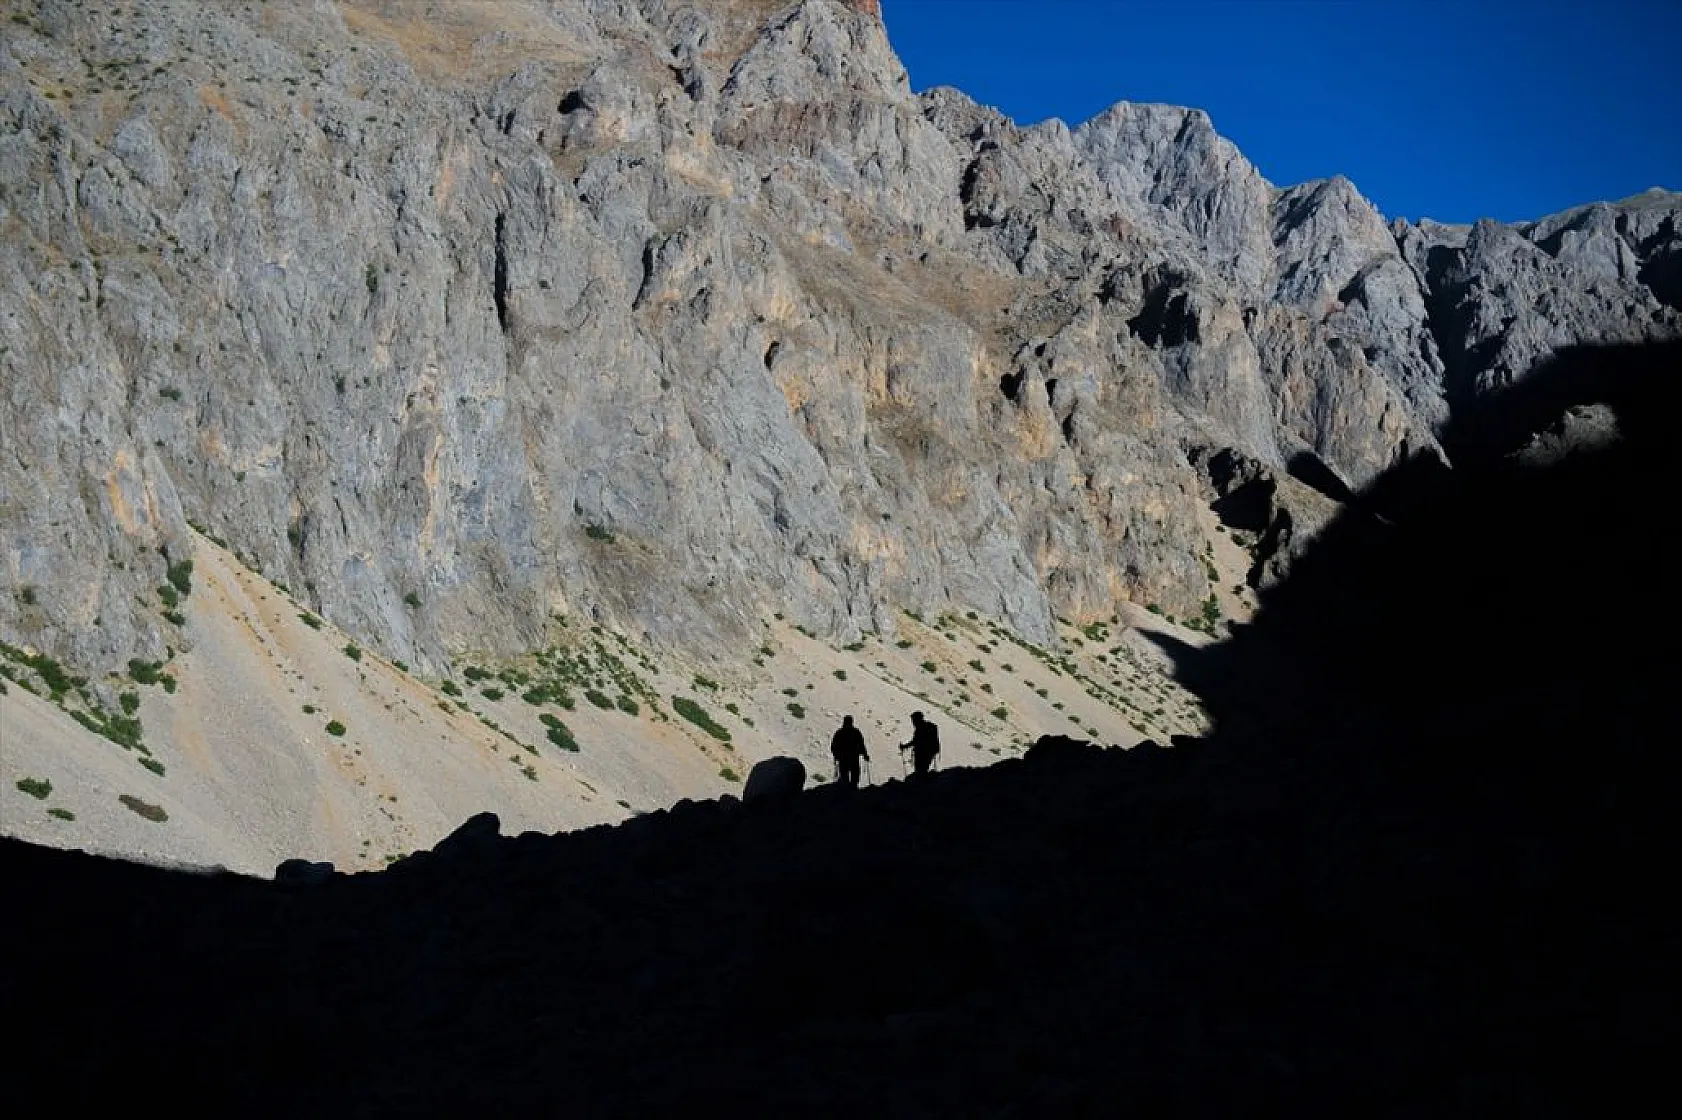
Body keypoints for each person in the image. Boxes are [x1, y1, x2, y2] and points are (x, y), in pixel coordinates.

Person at [830, 714, 869, 788]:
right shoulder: (856, 732)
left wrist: (836, 755)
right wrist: (865, 755)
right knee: (854, 778)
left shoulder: (839, 733)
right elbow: (861, 745)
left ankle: (846, 791)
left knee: (844, 778)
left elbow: (833, 747)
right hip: (853, 759)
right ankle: (853, 791)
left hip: (843, 759)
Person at [903, 710, 941, 777]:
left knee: (920, 770)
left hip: (922, 753)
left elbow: (915, 741)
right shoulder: (929, 727)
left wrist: (904, 746)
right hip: (930, 752)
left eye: (913, 720)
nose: (913, 723)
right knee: (923, 769)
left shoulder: (920, 728)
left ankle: (920, 781)